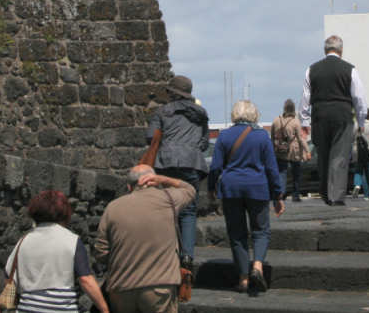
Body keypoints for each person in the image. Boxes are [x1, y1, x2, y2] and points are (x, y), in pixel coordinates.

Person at [94, 166, 195, 313]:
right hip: (159, 287)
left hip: (121, 288)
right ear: (154, 181)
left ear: (129, 187)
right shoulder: (169, 199)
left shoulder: (112, 207)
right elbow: (189, 189)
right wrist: (164, 179)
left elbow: (101, 251)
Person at [209, 100, 285, 294]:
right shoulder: (262, 136)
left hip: (231, 188)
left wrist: (211, 189)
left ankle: (243, 278)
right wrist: (277, 195)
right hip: (257, 188)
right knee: (261, 230)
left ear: (234, 114)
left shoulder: (224, 136)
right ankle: (257, 266)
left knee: (237, 234)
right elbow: (271, 168)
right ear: (254, 114)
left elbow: (215, 167)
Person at [5, 190, 108, 313]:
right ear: (64, 212)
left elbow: (9, 274)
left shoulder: (23, 241)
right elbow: (85, 280)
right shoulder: (72, 240)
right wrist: (105, 309)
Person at [146, 75, 209, 269]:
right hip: (192, 163)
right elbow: (204, 143)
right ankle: (187, 256)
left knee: (166, 207)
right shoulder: (201, 113)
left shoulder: (162, 112)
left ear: (172, 93)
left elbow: (150, 137)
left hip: (166, 164)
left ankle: (168, 254)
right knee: (188, 211)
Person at [300, 35, 368, 206]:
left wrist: (304, 121)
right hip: (342, 115)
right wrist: (361, 121)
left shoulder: (311, 69)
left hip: (319, 115)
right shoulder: (350, 69)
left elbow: (305, 98)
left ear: (325, 50)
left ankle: (325, 192)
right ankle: (336, 196)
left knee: (323, 155)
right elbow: (359, 98)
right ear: (341, 50)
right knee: (339, 156)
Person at [270, 99, 311, 202]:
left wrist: (272, 150)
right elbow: (301, 139)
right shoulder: (295, 122)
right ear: (293, 109)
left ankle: (281, 193)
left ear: (284, 108)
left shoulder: (276, 120)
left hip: (280, 151)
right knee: (296, 174)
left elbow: (272, 138)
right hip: (294, 152)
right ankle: (295, 195)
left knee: (282, 173)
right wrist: (307, 151)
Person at [352, 109, 369, 199]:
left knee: (358, 169)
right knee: (368, 171)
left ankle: (357, 184)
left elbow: (351, 138)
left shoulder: (355, 124)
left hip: (357, 149)